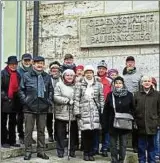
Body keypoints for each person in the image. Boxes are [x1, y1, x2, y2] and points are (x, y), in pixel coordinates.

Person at [18, 56, 53, 160]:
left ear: (44, 65)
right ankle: (28, 151)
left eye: (41, 63)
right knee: (28, 131)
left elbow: (50, 90)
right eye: (37, 63)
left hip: (42, 107)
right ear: (33, 64)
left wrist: (48, 102)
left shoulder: (47, 76)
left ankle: (41, 151)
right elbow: (20, 90)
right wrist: (25, 101)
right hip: (29, 108)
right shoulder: (26, 75)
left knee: (41, 131)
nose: (39, 65)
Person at [74, 65, 104, 161]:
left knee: (93, 133)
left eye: (90, 72)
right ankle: (86, 153)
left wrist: (102, 110)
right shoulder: (79, 84)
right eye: (87, 72)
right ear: (84, 73)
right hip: (84, 111)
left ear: (93, 73)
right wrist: (77, 111)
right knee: (85, 133)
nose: (89, 74)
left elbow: (101, 98)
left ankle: (91, 152)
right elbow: (76, 99)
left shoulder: (98, 84)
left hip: (95, 112)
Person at [102, 76, 134, 163]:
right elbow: (106, 110)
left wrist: (131, 120)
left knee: (123, 144)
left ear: (123, 84)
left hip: (125, 123)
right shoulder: (110, 95)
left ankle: (121, 159)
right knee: (113, 144)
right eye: (116, 83)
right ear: (113, 84)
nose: (118, 85)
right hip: (112, 123)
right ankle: (114, 159)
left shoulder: (129, 95)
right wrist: (104, 123)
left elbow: (133, 109)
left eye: (120, 83)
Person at [134, 76, 160, 163]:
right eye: (145, 81)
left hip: (153, 124)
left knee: (152, 146)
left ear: (151, 83)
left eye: (149, 81)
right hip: (140, 124)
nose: (147, 82)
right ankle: (141, 161)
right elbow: (133, 109)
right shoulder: (137, 94)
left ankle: (151, 161)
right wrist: (135, 122)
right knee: (141, 146)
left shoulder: (157, 94)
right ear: (142, 83)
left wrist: (158, 123)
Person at [54, 69, 77, 158]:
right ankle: (60, 150)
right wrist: (66, 100)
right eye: (67, 75)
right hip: (61, 112)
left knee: (73, 133)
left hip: (73, 112)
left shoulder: (77, 85)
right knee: (60, 133)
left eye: (71, 75)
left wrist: (75, 101)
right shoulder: (59, 84)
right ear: (64, 76)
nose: (69, 77)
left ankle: (72, 150)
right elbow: (56, 96)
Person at [122, 56, 142, 153]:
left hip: (136, 103)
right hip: (125, 103)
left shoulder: (139, 76)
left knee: (135, 125)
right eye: (128, 62)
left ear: (134, 64)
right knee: (124, 124)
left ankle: (135, 146)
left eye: (132, 62)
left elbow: (141, 90)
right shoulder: (122, 76)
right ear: (126, 64)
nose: (130, 64)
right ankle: (123, 146)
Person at [1, 56, 21, 148]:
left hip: (14, 101)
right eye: (11, 64)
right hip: (4, 101)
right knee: (3, 122)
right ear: (8, 65)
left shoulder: (18, 74)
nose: (13, 66)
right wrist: (5, 97)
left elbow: (19, 88)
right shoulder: (3, 73)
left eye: (15, 64)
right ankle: (4, 141)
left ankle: (12, 140)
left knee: (13, 122)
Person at [93, 60, 112, 157]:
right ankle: (95, 148)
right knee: (96, 128)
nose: (101, 70)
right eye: (99, 68)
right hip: (95, 107)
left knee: (106, 129)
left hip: (106, 108)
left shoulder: (109, 80)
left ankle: (105, 147)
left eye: (103, 69)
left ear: (106, 70)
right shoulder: (93, 79)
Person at [17, 53, 35, 144]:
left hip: (32, 98)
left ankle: (29, 136)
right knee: (20, 118)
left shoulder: (34, 70)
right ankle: (21, 135)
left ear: (31, 61)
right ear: (22, 61)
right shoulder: (18, 71)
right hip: (21, 98)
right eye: (25, 60)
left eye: (29, 60)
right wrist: (23, 98)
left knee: (31, 120)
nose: (27, 62)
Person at [46, 61, 61, 142]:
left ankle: (57, 134)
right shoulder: (47, 77)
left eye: (56, 68)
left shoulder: (62, 78)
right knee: (49, 119)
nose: (54, 70)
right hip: (49, 102)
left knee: (58, 120)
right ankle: (50, 134)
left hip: (59, 102)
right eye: (53, 68)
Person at [152, 77, 160, 162]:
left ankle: (157, 154)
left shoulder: (158, 95)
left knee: (157, 139)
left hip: (157, 121)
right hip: (150, 122)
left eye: (153, 84)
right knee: (152, 140)